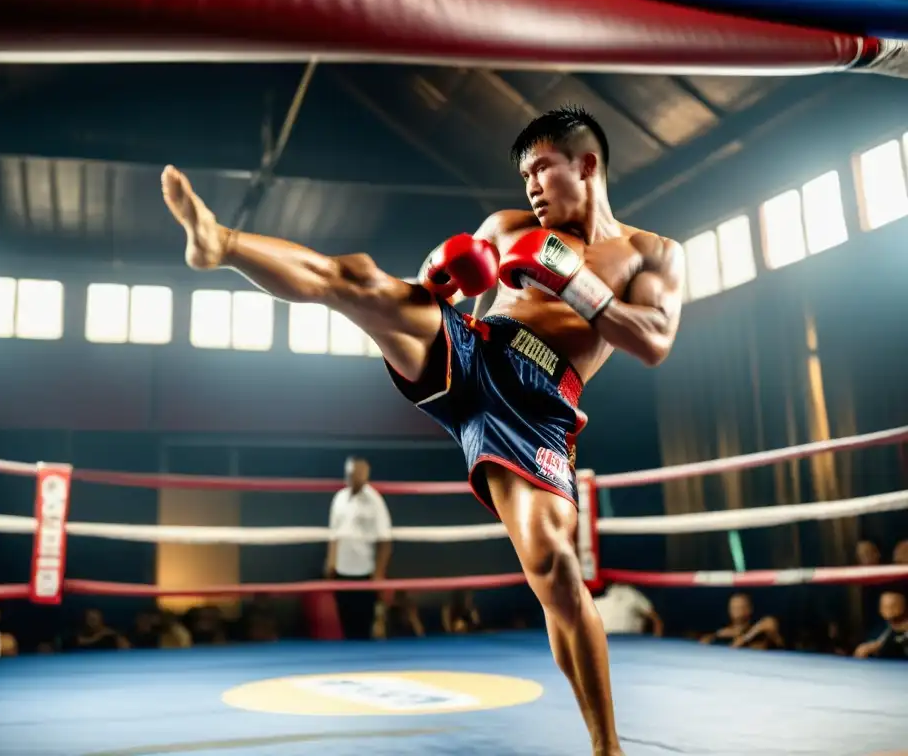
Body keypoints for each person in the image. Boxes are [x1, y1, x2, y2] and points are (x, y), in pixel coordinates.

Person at [162, 105, 685, 756]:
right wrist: (437, 275)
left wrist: (576, 283)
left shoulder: (653, 252)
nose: (529, 186)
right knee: (358, 279)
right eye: (523, 174)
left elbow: (655, 341)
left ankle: (607, 748)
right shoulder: (507, 225)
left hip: (541, 407)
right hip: (474, 351)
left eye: (541, 169)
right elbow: (436, 290)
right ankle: (221, 243)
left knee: (554, 571)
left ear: (587, 165)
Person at [324, 457, 393, 640]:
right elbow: (333, 534)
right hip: (341, 571)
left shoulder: (374, 500)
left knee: (364, 624)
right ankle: (349, 665)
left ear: (365, 474)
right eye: (350, 473)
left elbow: (385, 540)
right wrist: (330, 563)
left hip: (365, 572)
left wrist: (379, 573)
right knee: (346, 623)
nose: (353, 477)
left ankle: (368, 665)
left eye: (357, 473)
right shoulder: (339, 498)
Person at [701, 593, 783, 650]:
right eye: (734, 607)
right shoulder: (724, 633)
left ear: (750, 609)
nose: (737, 611)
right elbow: (704, 641)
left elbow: (769, 622)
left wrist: (745, 638)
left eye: (740, 607)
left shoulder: (759, 630)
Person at [852, 590, 908, 660]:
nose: (890, 611)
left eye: (893, 605)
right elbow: (863, 652)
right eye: (885, 606)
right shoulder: (881, 628)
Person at [593, 584, 663, 636]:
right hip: (599, 633)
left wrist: (656, 640)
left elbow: (656, 620)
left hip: (624, 638)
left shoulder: (631, 594)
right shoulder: (608, 593)